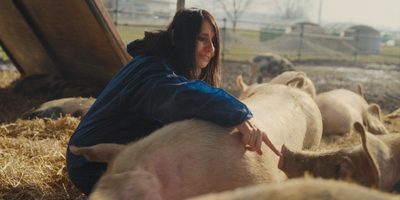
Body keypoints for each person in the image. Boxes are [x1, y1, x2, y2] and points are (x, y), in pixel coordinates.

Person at [66, 7, 281, 196]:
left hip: (110, 154)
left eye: (213, 41)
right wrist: (238, 113)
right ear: (177, 37)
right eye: (201, 38)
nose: (211, 49)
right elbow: (181, 95)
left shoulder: (162, 65)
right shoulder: (151, 70)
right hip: (92, 163)